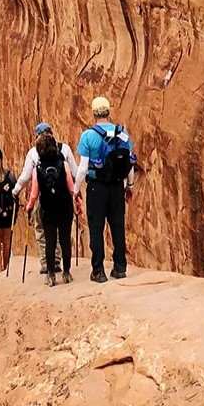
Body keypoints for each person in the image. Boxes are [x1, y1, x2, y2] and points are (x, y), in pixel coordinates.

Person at [77, 96, 136, 283]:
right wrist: (130, 186)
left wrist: (76, 189)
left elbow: (83, 168)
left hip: (97, 187)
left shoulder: (88, 136)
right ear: (108, 112)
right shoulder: (122, 134)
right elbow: (130, 163)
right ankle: (120, 267)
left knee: (96, 228)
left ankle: (98, 270)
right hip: (118, 186)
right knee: (117, 226)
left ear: (93, 113)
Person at [14, 123, 82, 273]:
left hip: (44, 199)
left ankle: (47, 264)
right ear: (52, 133)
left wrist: (16, 190)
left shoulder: (33, 152)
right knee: (63, 233)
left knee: (43, 231)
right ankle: (59, 262)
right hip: (63, 198)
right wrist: (77, 195)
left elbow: (26, 177)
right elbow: (75, 173)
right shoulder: (64, 149)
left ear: (37, 136)